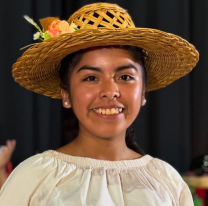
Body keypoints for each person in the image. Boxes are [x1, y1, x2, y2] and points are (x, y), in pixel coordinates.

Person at [0, 3, 199, 206]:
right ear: (66, 93)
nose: (110, 91)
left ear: (143, 92)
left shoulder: (166, 181)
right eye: (91, 78)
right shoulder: (35, 178)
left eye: (125, 76)